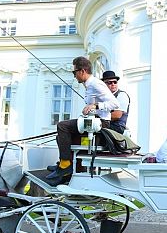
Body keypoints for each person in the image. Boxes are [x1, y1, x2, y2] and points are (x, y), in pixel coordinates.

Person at [46, 56, 119, 186]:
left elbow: (114, 103)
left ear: (82, 71)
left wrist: (95, 106)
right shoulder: (90, 85)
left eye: (74, 72)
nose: (74, 76)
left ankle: (65, 166)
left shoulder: (95, 83)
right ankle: (65, 165)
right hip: (94, 122)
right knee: (61, 137)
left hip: (100, 124)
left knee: (62, 126)